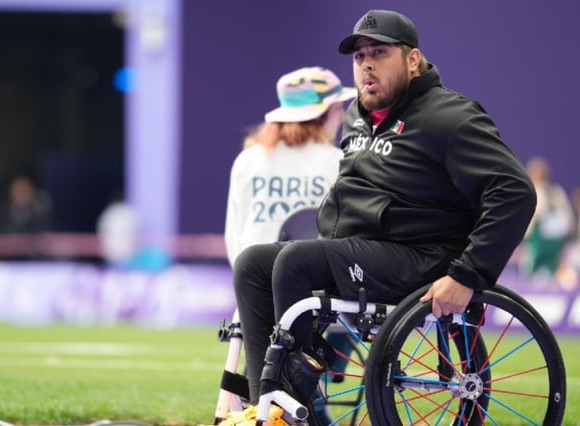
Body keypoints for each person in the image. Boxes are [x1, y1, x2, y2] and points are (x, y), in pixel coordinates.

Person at [223, 10, 536, 425]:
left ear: (412, 60)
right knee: (253, 264)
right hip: (361, 251)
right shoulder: (357, 115)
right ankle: (267, 403)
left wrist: (467, 274)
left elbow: (516, 191)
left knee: (295, 262)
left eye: (379, 52)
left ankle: (289, 412)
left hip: (421, 257)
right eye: (359, 56)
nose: (366, 64)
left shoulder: (452, 117)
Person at [224, 66, 356, 267]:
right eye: (337, 108)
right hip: (313, 289)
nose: (341, 117)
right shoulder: (339, 162)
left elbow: (234, 238)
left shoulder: (248, 161)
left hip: (253, 285)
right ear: (319, 115)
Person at [520, 156, 575, 281]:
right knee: (553, 275)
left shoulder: (535, 192)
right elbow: (569, 222)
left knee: (530, 276)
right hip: (554, 244)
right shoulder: (558, 193)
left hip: (538, 244)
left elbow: (529, 224)